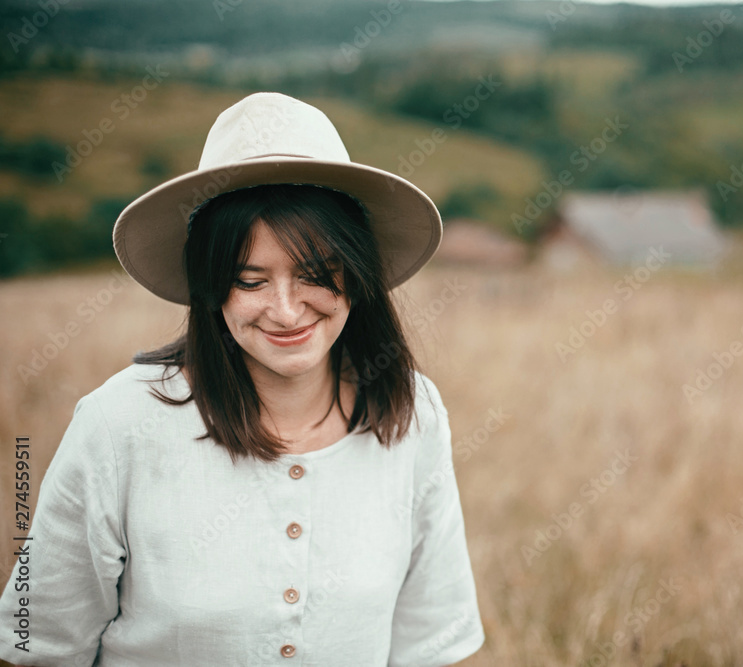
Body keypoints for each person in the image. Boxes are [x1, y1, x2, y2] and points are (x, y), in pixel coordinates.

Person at [0, 93, 484, 666]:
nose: (285, 311)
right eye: (250, 281)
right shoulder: (118, 426)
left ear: (356, 273)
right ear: (211, 286)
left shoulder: (413, 414)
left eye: (314, 274)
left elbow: (430, 643)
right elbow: (36, 645)